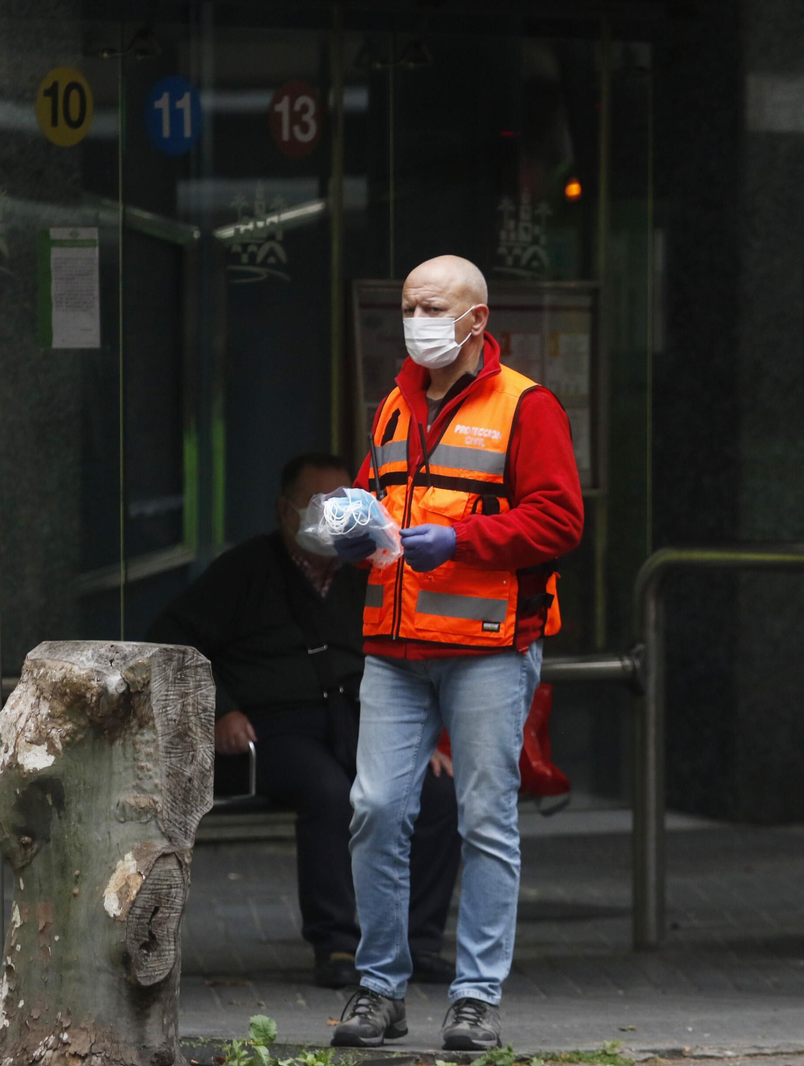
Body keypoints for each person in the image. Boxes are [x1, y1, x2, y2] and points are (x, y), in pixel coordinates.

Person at [330, 255, 583, 1051]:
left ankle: (475, 997)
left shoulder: (526, 406)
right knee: (374, 810)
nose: (417, 319)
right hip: (395, 645)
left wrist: (463, 539)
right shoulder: (395, 405)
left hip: (487, 646)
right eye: (409, 305)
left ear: (477, 318)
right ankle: (379, 988)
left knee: (484, 819)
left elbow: (559, 520)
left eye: (433, 305)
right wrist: (350, 522)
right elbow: (382, 494)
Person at [146, 453, 461, 990]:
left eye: (342, 508)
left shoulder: (370, 572)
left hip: (361, 719)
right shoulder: (244, 570)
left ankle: (416, 942)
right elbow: (171, 637)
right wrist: (221, 708)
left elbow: (403, 654)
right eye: (316, 507)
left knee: (437, 792)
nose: (330, 521)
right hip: (276, 729)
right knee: (328, 793)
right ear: (284, 511)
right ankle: (337, 944)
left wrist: (419, 736)